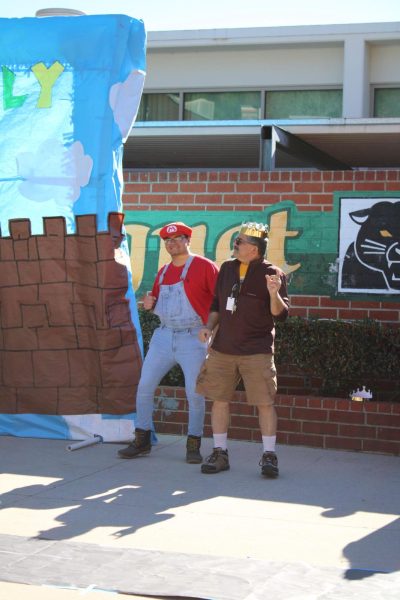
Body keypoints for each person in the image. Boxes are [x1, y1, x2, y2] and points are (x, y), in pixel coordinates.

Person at [118, 221, 219, 463]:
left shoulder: (205, 267)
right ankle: (142, 440)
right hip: (164, 336)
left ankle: (193, 445)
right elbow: (157, 306)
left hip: (194, 337)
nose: (172, 244)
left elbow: (219, 302)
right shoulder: (163, 271)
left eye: (177, 239)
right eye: (168, 240)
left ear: (188, 240)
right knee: (144, 387)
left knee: (195, 394)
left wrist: (213, 332)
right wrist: (149, 306)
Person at [196, 221, 289, 477]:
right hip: (223, 349)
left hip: (257, 350)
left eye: (240, 242)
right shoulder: (226, 268)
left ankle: (269, 456)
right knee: (219, 400)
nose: (235, 245)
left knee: (265, 403)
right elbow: (217, 303)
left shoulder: (273, 273)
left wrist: (273, 294)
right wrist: (208, 326)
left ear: (255, 249)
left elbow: (279, 315)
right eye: (236, 241)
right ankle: (219, 453)